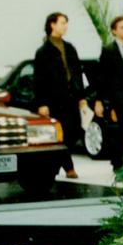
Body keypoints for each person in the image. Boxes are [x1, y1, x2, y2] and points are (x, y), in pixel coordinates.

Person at [33, 11, 87, 178]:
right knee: (59, 134)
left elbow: (77, 73)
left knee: (74, 132)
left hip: (71, 98)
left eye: (66, 23)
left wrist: (81, 97)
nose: (65, 26)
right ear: (52, 25)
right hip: (54, 100)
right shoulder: (43, 51)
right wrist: (42, 103)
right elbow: (39, 80)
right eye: (62, 22)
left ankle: (56, 164)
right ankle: (68, 167)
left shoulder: (70, 48)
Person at [94, 15, 123, 170]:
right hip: (117, 98)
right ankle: (117, 162)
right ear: (114, 31)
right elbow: (102, 77)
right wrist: (102, 101)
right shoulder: (108, 50)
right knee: (121, 131)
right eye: (122, 27)